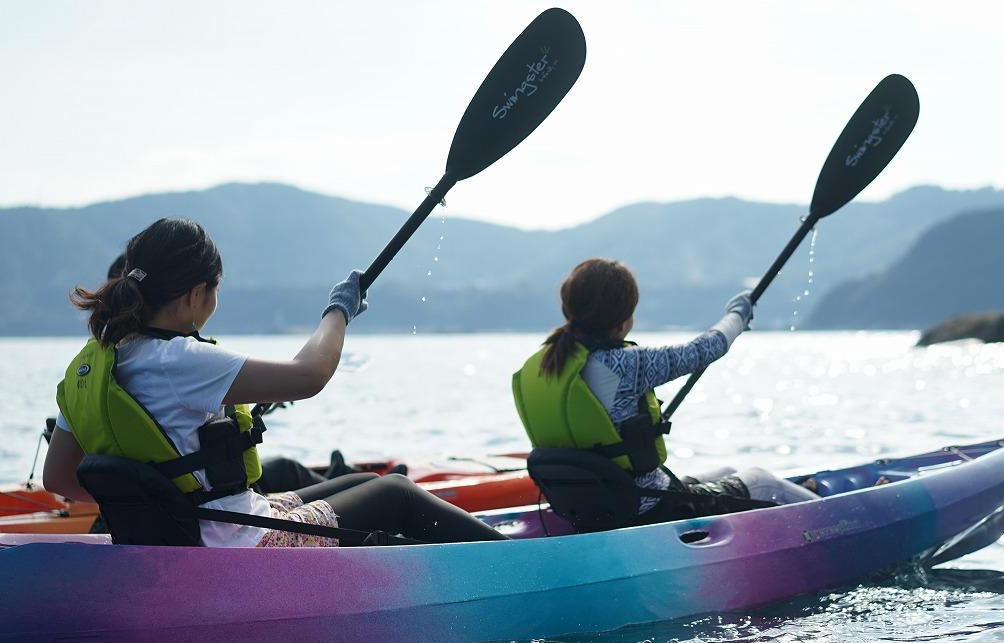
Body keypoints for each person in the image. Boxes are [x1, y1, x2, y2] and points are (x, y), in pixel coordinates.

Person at [44, 217, 505, 547]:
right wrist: (338, 311)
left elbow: (58, 478)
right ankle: (522, 563)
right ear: (195, 295)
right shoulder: (181, 357)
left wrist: (160, 512)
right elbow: (310, 375)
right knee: (396, 493)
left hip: (192, 535)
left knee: (361, 481)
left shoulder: (91, 367)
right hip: (238, 547)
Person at [512, 258, 817, 528]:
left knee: (727, 471)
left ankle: (803, 496)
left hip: (594, 508)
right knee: (761, 480)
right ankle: (835, 517)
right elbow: (707, 348)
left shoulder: (542, 365)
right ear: (624, 320)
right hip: (647, 508)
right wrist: (738, 314)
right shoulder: (625, 364)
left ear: (569, 309)